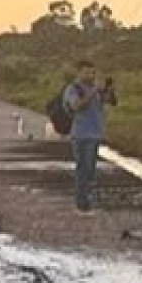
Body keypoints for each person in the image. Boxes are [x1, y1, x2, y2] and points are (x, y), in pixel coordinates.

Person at [61, 62, 116, 211]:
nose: (90, 76)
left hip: (95, 133)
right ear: (79, 73)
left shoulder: (96, 89)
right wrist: (93, 92)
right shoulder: (73, 89)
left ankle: (86, 196)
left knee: (90, 168)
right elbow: (77, 106)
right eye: (87, 73)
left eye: (92, 73)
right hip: (79, 134)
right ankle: (81, 200)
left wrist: (109, 91)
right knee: (82, 167)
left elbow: (110, 102)